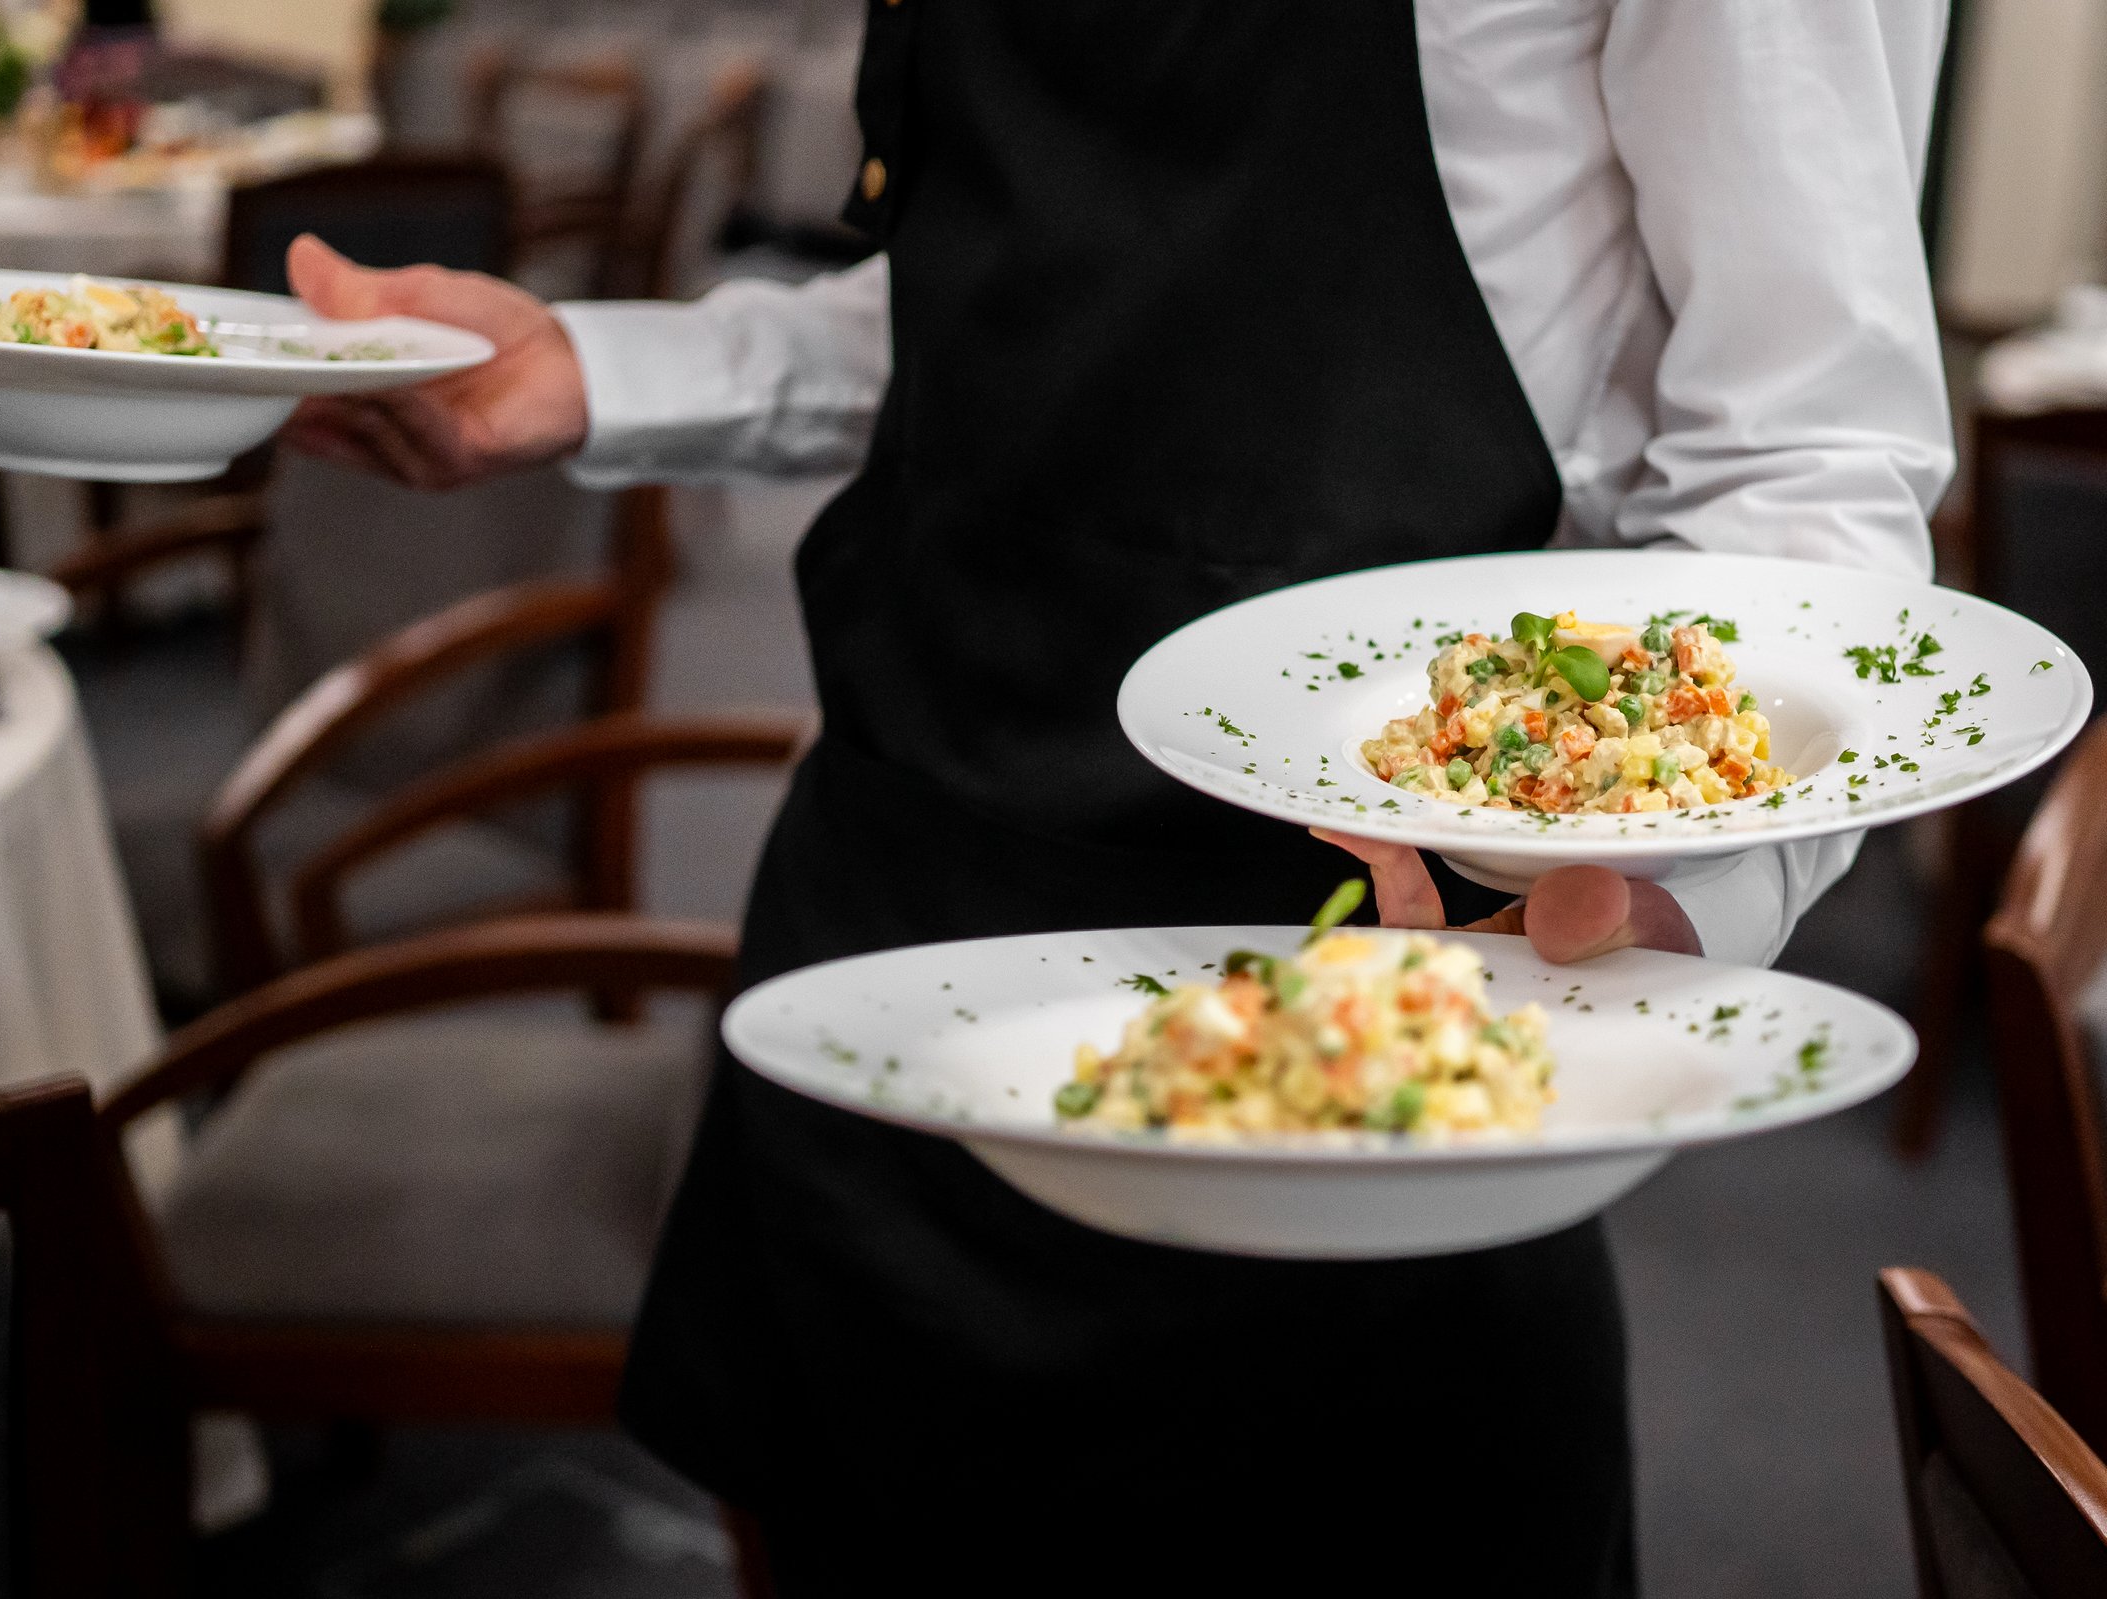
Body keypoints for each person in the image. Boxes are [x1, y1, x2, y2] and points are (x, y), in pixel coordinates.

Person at [281, 3, 1952, 1590]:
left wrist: (1666, 889)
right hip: (891, 941)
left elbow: (1808, 460)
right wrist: (607, 369)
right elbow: (1011, 291)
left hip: (1360, 1043)